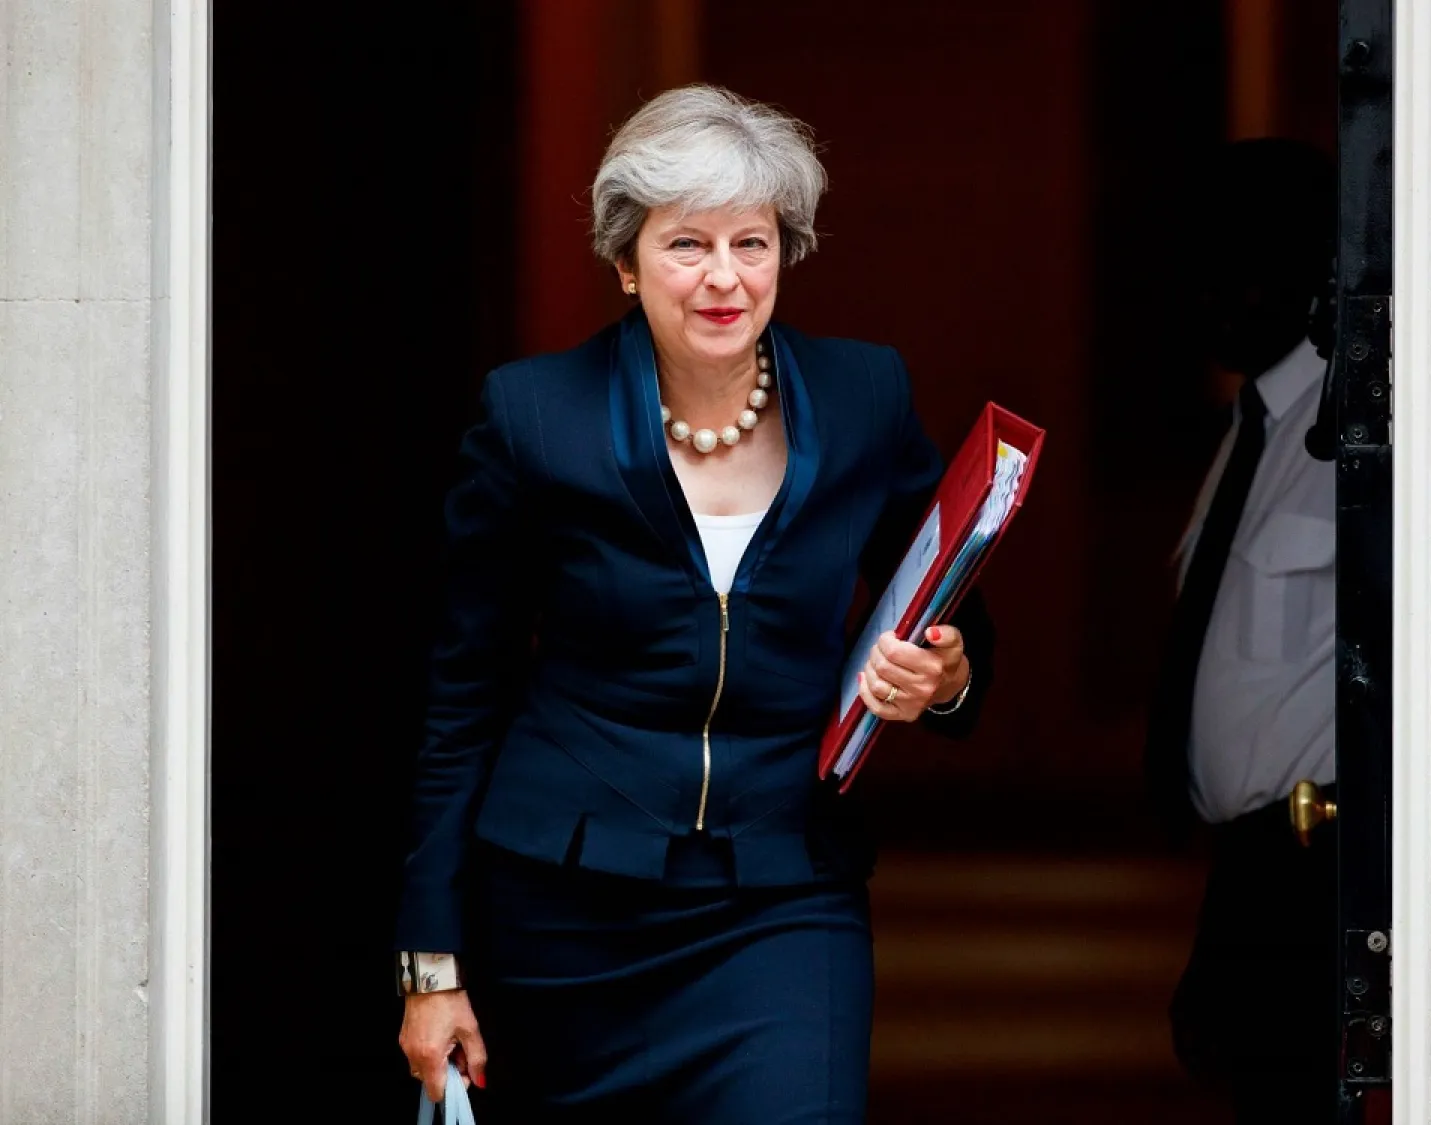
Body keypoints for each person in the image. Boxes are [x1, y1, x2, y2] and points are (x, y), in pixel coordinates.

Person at [394, 85, 993, 1123]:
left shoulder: (863, 400)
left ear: (784, 254)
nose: (724, 278)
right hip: (567, 909)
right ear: (627, 262)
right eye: (687, 245)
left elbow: (947, 603)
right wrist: (431, 965)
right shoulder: (535, 416)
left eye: (752, 244)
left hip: (781, 897)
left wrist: (944, 677)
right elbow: (462, 700)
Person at [1144, 137, 1338, 1125]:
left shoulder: (1357, 433)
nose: (1211, 296)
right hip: (1250, 875)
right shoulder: (1250, 425)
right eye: (1199, 267)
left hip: (1322, 872)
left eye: (1244, 267)